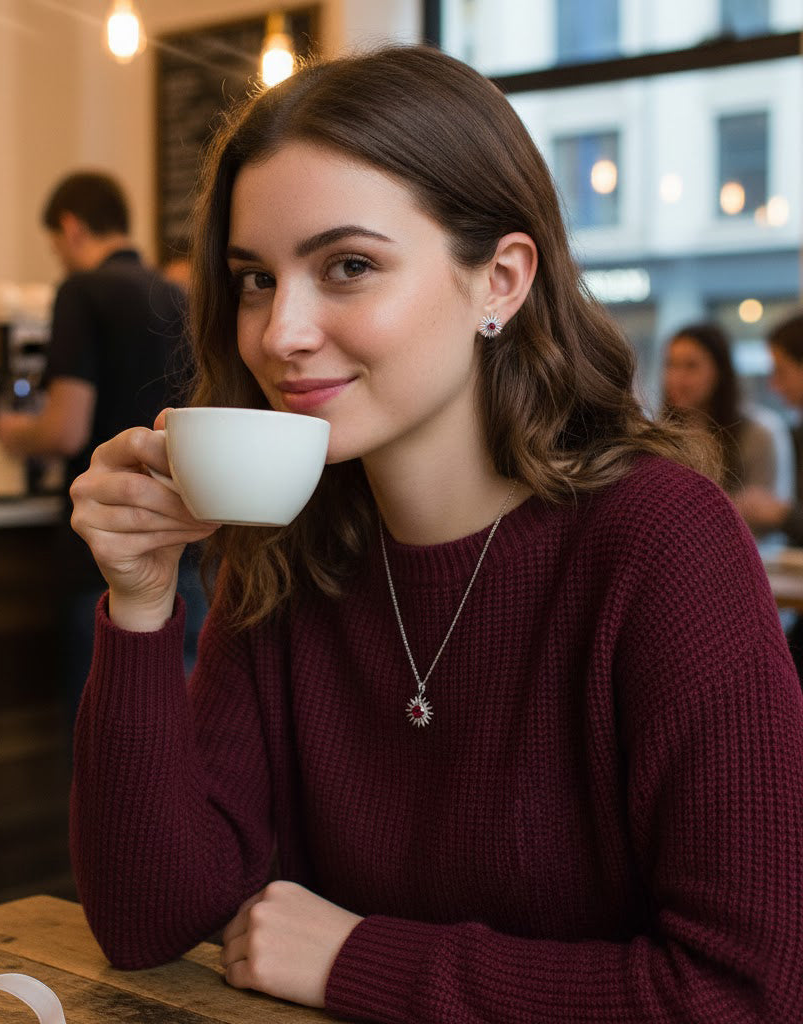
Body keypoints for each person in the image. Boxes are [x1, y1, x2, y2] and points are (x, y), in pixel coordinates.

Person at [68, 46, 803, 1022]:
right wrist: (142, 599)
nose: (279, 331)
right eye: (254, 278)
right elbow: (147, 919)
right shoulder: (292, 546)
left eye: (349, 266)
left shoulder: (660, 542)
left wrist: (361, 960)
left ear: (499, 281)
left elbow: (747, 992)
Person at [0, 170, 192, 716]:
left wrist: (12, 434)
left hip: (110, 551)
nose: (60, 257)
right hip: (186, 545)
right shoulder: (175, 294)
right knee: (177, 729)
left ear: (72, 228)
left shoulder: (80, 291)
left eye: (56, 244)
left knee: (107, 732)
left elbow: (64, 429)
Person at [662, 321, 782, 497]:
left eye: (691, 366)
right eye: (671, 365)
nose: (676, 378)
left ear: (720, 372)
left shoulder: (757, 434)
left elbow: (764, 512)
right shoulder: (661, 435)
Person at [738, 312, 803, 540]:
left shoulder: (766, 430)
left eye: (781, 371)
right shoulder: (795, 433)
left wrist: (782, 514)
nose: (774, 384)